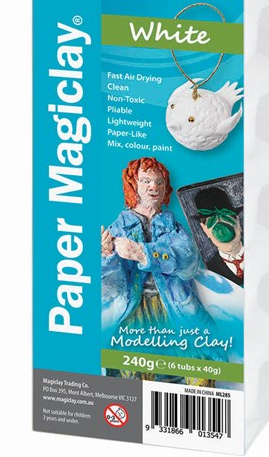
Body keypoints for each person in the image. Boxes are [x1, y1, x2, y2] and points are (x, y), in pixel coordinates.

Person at [101, 157, 223, 384]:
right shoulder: (119, 228)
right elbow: (110, 286)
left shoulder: (172, 226)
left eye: (159, 182)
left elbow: (189, 261)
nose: (153, 187)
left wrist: (143, 253)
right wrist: (107, 257)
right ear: (133, 185)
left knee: (200, 363)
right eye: (146, 181)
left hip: (176, 305)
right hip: (135, 310)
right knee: (134, 370)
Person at [193, 187, 244, 287]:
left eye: (226, 217)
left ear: (237, 221)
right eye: (212, 221)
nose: (221, 229)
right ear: (204, 229)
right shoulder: (209, 270)